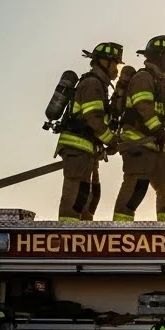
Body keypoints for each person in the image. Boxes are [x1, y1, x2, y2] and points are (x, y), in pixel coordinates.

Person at [113, 36, 165, 222]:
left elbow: (163, 111)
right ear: (159, 58)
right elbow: (143, 105)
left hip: (155, 145)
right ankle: (120, 232)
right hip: (137, 143)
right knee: (136, 189)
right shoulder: (143, 77)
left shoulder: (161, 83)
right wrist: (158, 128)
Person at [55, 42, 123, 221]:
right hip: (77, 145)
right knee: (75, 194)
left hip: (87, 148)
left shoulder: (99, 85)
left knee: (88, 194)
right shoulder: (92, 83)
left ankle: (82, 235)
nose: (117, 68)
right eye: (115, 63)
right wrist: (112, 140)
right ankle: (68, 236)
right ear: (104, 62)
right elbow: (93, 118)